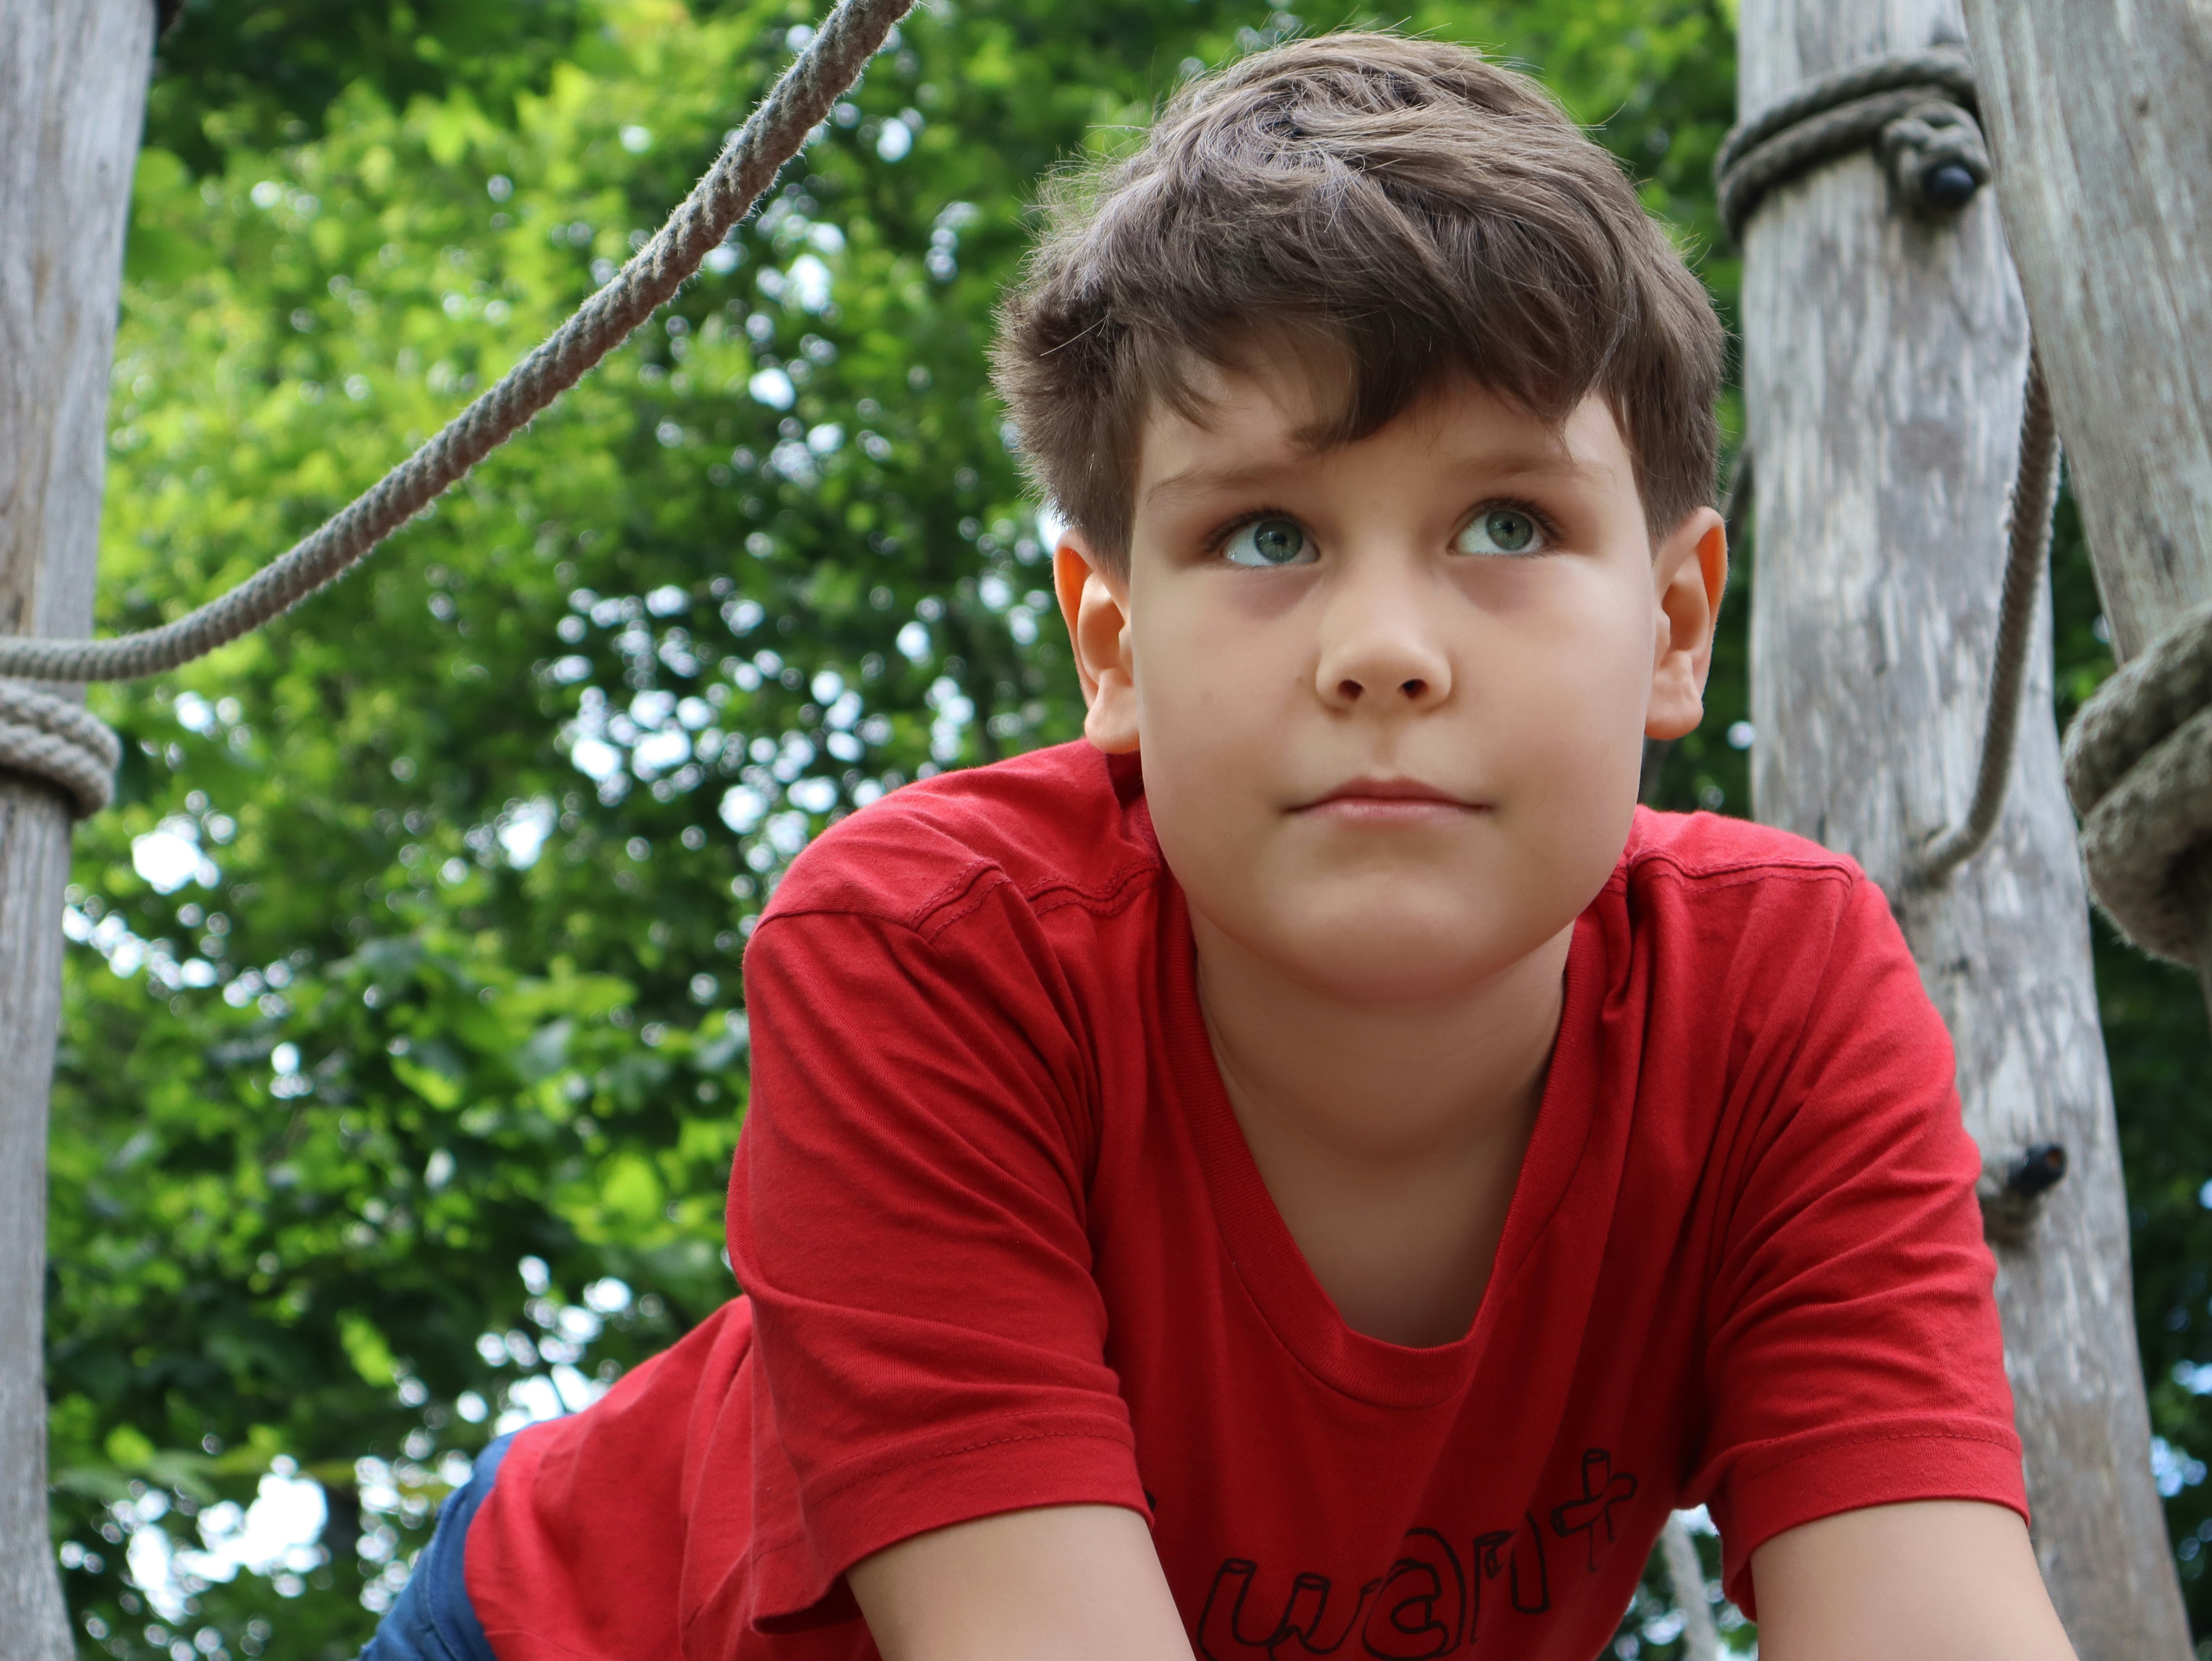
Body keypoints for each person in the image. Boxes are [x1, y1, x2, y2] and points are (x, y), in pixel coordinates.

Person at [363, 32, 2079, 1661]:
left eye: (1507, 522)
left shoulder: (1774, 997)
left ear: (1674, 621)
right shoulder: (933, 944)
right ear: (1109, 646)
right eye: (1264, 531)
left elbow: (1925, 1612)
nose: (1383, 645)